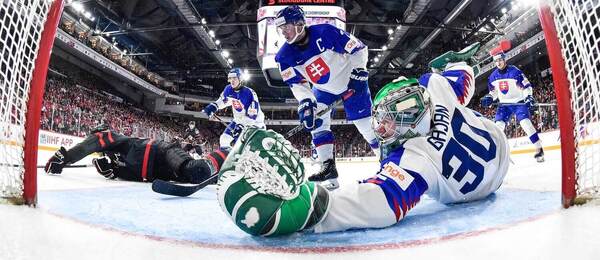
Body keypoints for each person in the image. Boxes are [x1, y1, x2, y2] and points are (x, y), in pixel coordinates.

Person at [217, 64, 510, 236]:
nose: (383, 128)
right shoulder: (434, 86)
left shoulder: (415, 158)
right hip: (496, 145)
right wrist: (454, 65)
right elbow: (464, 77)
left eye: (388, 118)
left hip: (482, 184)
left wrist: (305, 211)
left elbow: (378, 203)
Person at [274, 5, 379, 190]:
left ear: (299, 24)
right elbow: (296, 84)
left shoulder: (326, 31)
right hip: (323, 89)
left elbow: (359, 49)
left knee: (366, 127)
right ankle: (329, 170)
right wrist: (306, 103)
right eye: (281, 29)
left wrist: (359, 71)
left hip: (352, 81)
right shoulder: (283, 56)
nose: (284, 33)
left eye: (287, 27)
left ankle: (385, 161)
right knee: (316, 122)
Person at [44, 125, 228, 184]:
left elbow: (96, 141)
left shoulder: (114, 138)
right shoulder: (115, 159)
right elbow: (136, 173)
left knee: (196, 170)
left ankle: (227, 151)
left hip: (162, 152)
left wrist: (66, 157)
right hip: (159, 173)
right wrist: (115, 172)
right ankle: (223, 172)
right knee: (196, 178)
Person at [481, 52, 544, 162]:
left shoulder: (515, 72)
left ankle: (539, 149)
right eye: (496, 61)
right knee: (498, 127)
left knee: (525, 123)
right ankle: (496, 154)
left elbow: (526, 86)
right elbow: (494, 92)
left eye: (500, 60)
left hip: (518, 103)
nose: (498, 62)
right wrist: (489, 97)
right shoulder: (492, 77)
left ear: (504, 60)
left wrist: (528, 97)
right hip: (504, 105)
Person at [202, 68, 265, 150]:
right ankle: (226, 161)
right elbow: (223, 101)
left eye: (234, 78)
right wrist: (214, 106)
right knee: (224, 140)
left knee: (247, 147)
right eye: (230, 78)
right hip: (238, 120)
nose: (232, 81)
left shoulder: (249, 93)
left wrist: (241, 127)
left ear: (240, 79)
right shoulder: (228, 89)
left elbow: (252, 116)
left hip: (254, 124)